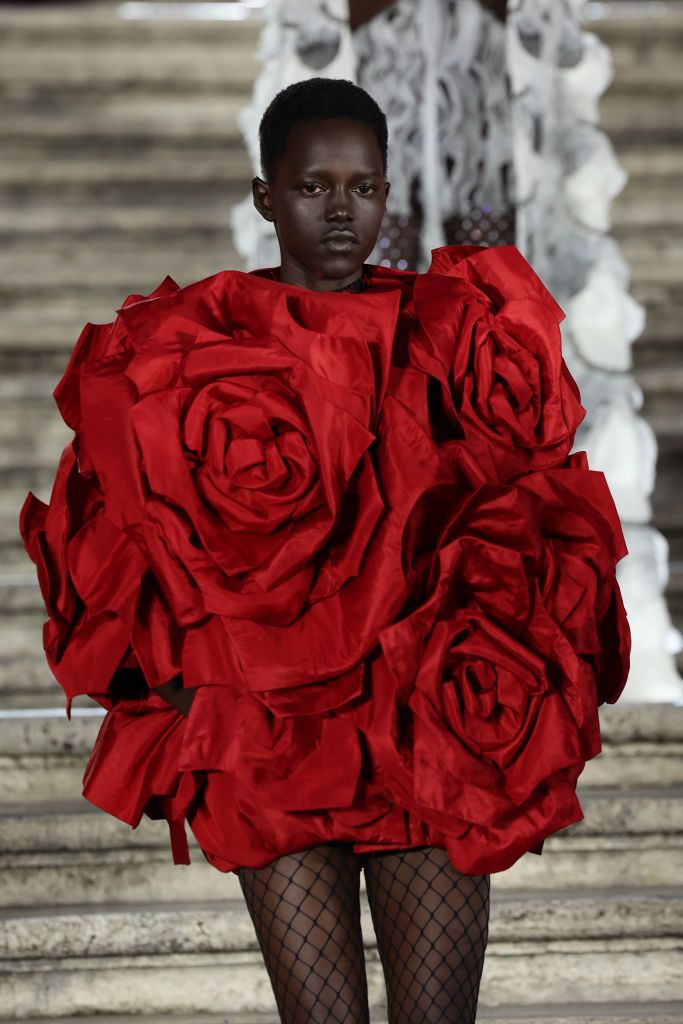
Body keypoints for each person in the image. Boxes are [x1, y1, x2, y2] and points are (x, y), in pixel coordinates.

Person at [19, 78, 631, 1023]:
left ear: (388, 192)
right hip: (274, 742)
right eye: (313, 187)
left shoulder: (449, 334)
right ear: (265, 194)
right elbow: (116, 529)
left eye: (365, 186)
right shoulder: (188, 345)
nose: (343, 211)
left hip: (418, 728)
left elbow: (522, 517)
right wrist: (189, 686)